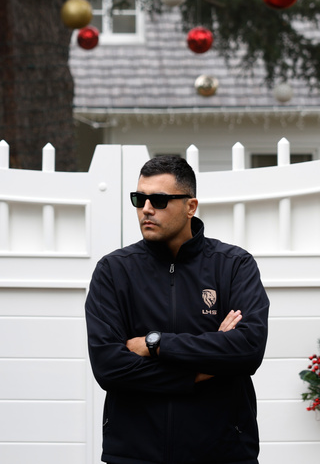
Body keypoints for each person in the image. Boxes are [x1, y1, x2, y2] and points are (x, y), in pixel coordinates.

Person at [84, 155, 270, 464]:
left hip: (223, 453)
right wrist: (203, 371)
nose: (146, 208)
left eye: (158, 199)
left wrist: (155, 344)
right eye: (139, 198)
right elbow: (109, 367)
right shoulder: (114, 271)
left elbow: (248, 349)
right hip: (135, 454)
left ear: (190, 206)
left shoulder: (234, 265)